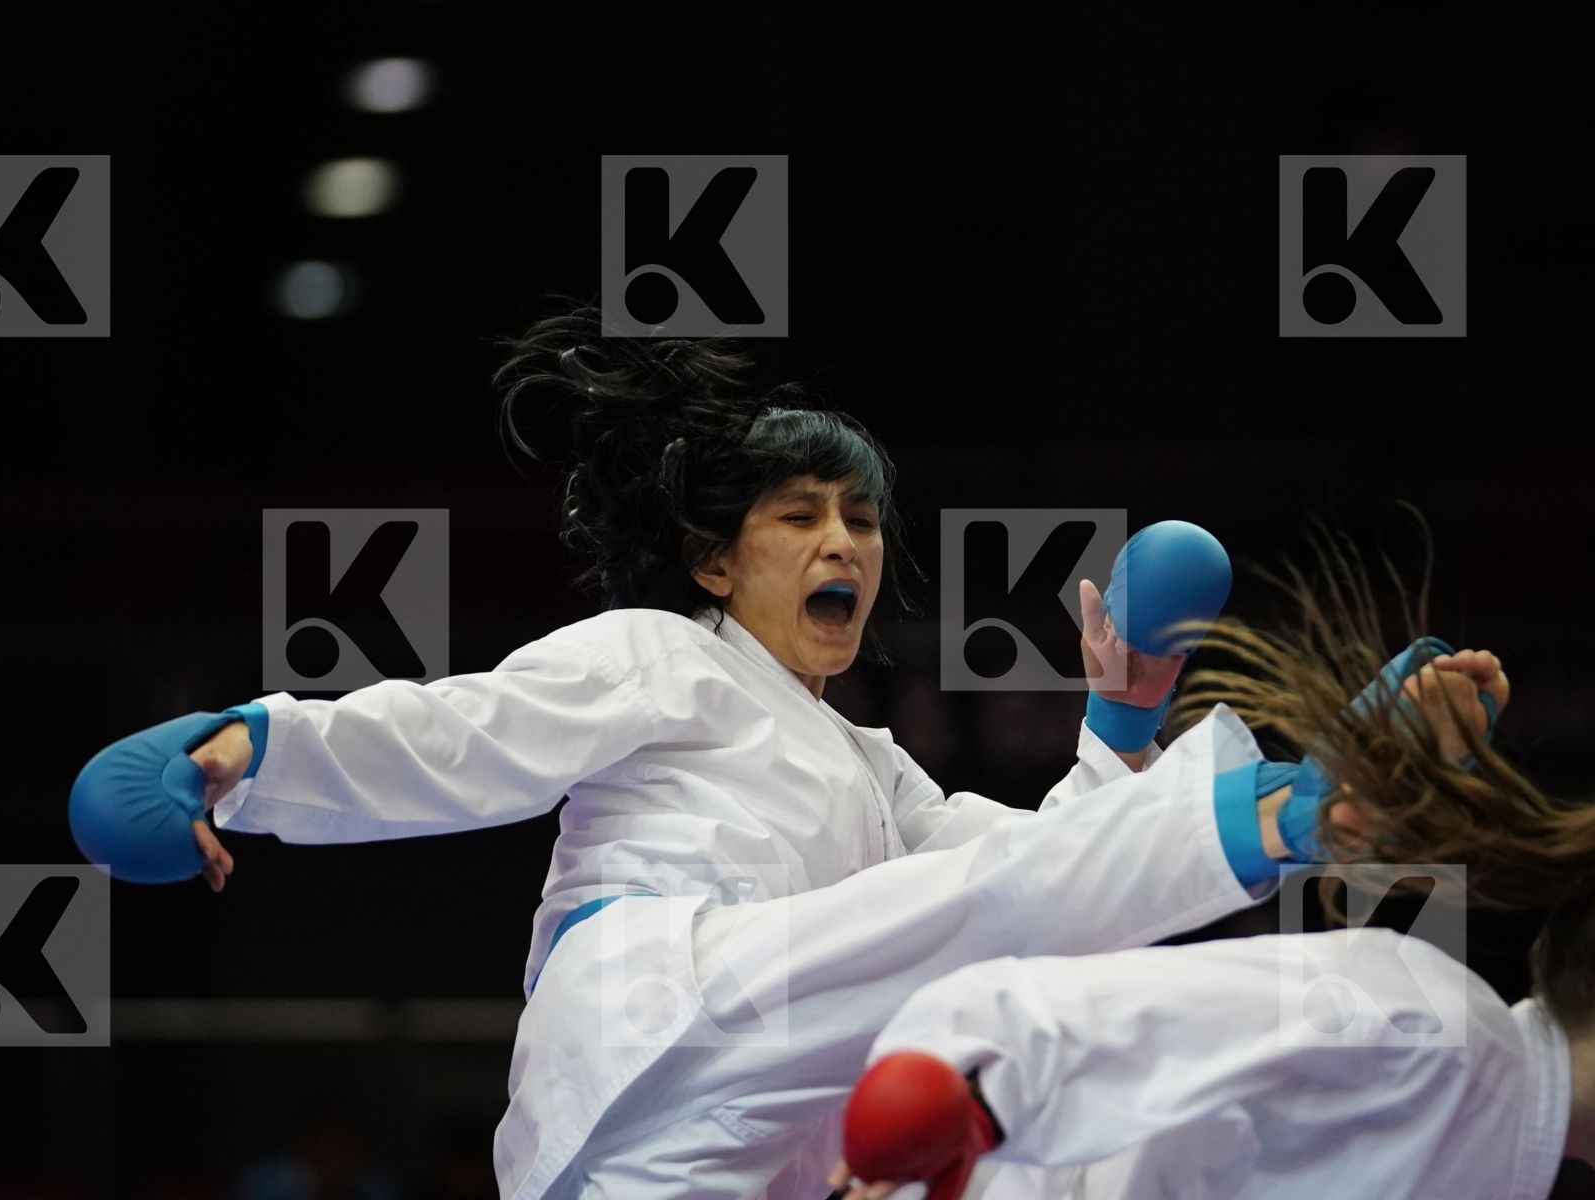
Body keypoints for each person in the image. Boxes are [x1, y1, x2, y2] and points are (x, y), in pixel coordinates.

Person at [74, 307, 1310, 1199]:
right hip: (662, 1006)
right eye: (801, 514)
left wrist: (1120, 728)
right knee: (974, 930)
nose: (845, 541)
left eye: (862, 517)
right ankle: (1299, 810)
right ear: (715, 562)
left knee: (1050, 1095)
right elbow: (462, 734)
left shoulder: (874, 766)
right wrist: (245, 750)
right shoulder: (661, 650)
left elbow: (1048, 882)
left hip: (718, 1145)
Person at [828, 559, 1595, 1200]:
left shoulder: (1501, 1135)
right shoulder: (1436, 1034)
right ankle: (1291, 807)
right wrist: (971, 1106)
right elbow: (1051, 995)